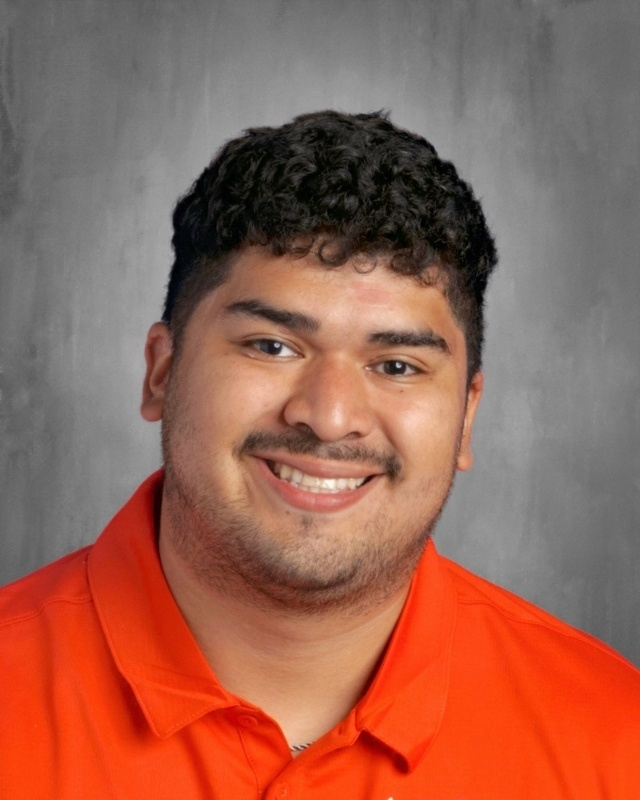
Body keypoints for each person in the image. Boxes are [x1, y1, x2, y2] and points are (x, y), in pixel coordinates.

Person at [1, 111, 638, 799]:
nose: (329, 417)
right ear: (162, 371)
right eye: (272, 346)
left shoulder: (614, 738)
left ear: (465, 420)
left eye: (396, 366)